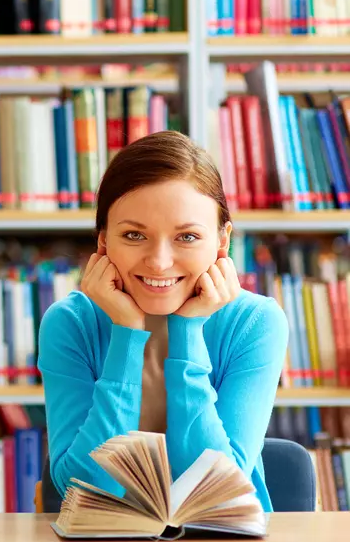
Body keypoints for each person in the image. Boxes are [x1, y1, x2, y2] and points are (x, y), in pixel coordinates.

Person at [38, 130, 289, 512]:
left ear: (222, 242)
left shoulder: (255, 323)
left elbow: (217, 491)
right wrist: (125, 334)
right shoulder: (70, 324)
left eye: (186, 237)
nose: (158, 261)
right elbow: (84, 486)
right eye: (134, 234)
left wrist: (188, 332)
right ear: (103, 241)